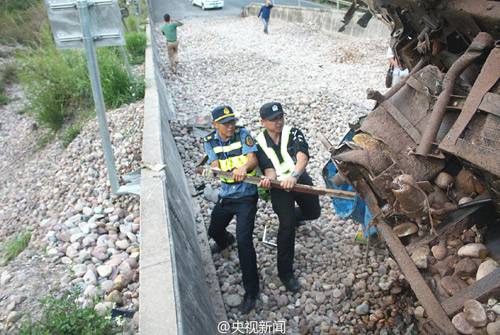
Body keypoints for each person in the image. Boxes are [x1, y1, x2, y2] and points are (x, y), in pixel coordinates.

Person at [256, 102, 321, 293]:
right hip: (279, 187)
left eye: (280, 117)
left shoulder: (293, 132)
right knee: (286, 226)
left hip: (298, 179)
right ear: (263, 122)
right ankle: (285, 273)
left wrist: (294, 175)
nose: (278, 122)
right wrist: (269, 180)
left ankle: (295, 216)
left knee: (313, 212)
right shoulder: (259, 142)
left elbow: (302, 156)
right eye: (273, 119)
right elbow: (267, 167)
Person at [202, 105, 260, 314]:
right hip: (226, 196)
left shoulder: (243, 134)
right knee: (214, 230)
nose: (230, 126)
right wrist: (214, 170)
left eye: (232, 122)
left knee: (245, 242)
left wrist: (244, 168)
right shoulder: (209, 141)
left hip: (246, 196)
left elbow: (252, 158)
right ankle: (226, 241)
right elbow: (215, 163)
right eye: (225, 123)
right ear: (214, 125)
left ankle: (252, 291)